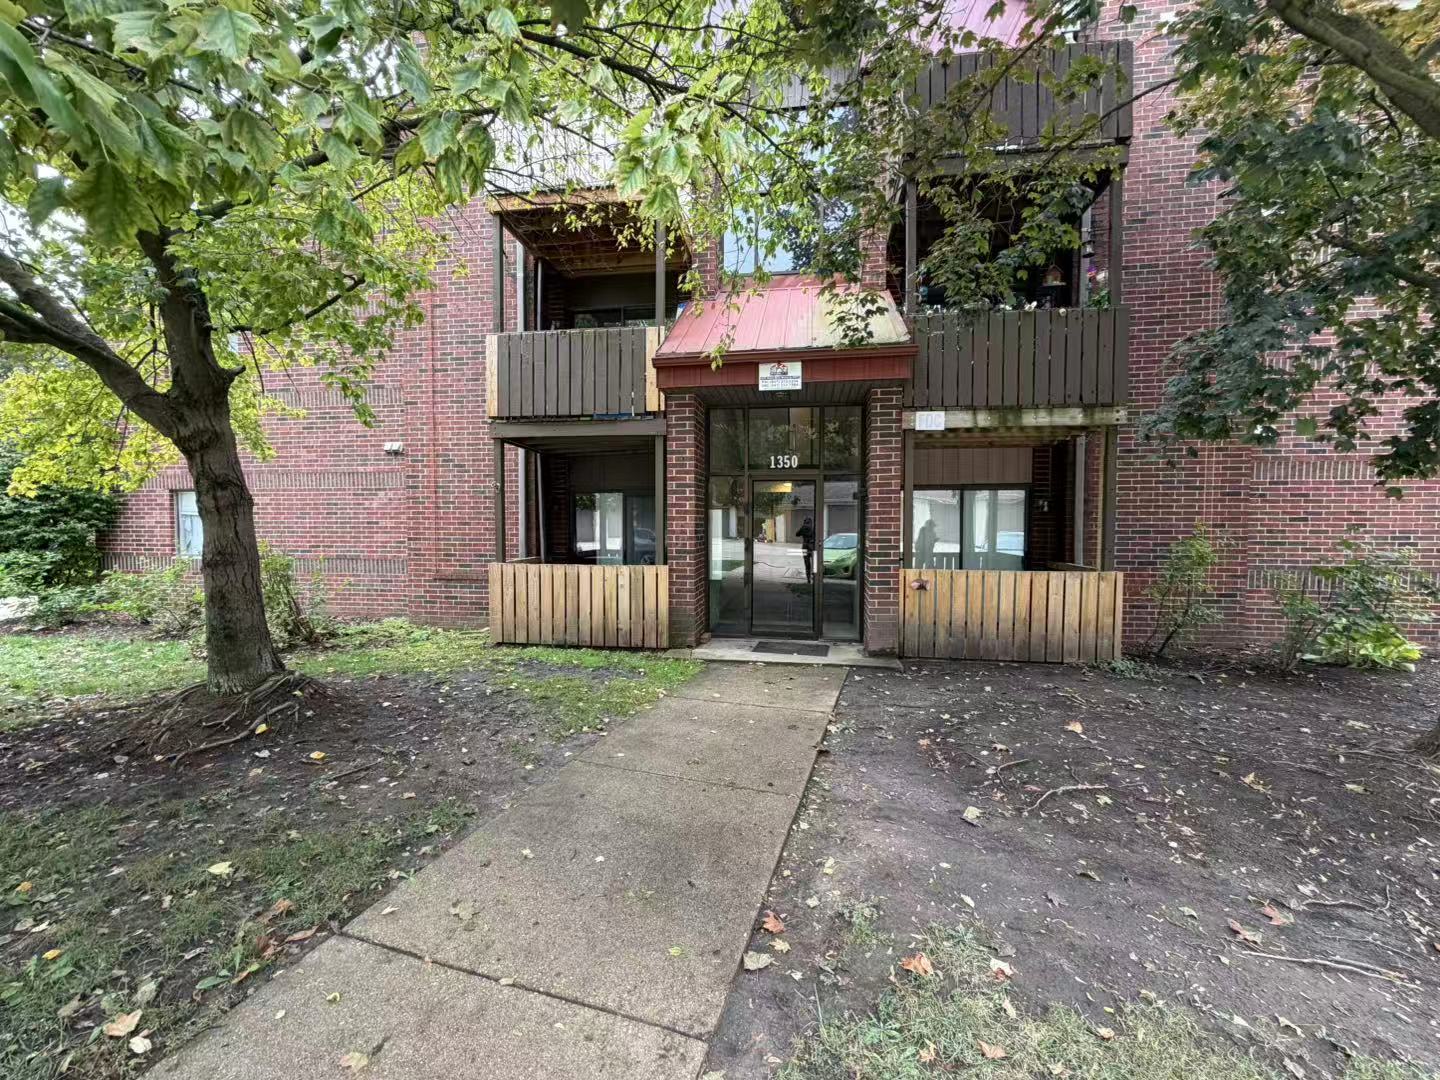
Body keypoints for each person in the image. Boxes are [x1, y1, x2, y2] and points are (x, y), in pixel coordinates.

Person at [796, 516, 816, 583]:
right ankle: (814, 576)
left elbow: (797, 534)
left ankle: (808, 579)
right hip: (813, 547)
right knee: (815, 563)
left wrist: (802, 528)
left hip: (805, 547)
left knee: (807, 564)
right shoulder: (813, 527)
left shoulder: (803, 527)